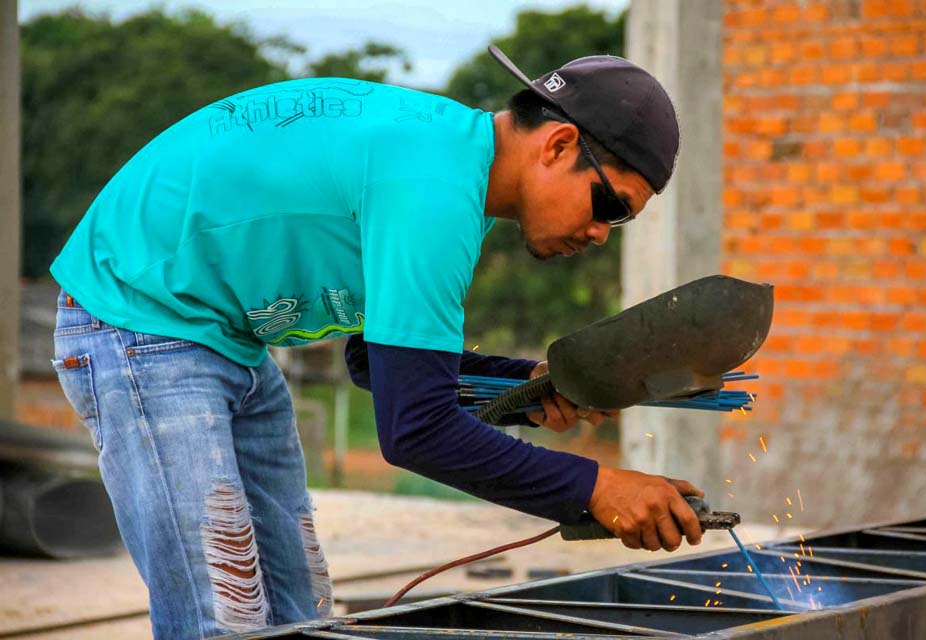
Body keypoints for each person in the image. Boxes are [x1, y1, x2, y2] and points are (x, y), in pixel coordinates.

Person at [49, 45, 703, 639]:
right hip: (140, 318)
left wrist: (525, 386)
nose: (601, 233)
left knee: (301, 612)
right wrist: (596, 487)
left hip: (226, 339)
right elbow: (414, 429)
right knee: (223, 620)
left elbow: (371, 361)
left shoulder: (453, 175)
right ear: (558, 145)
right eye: (611, 206)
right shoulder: (436, 191)